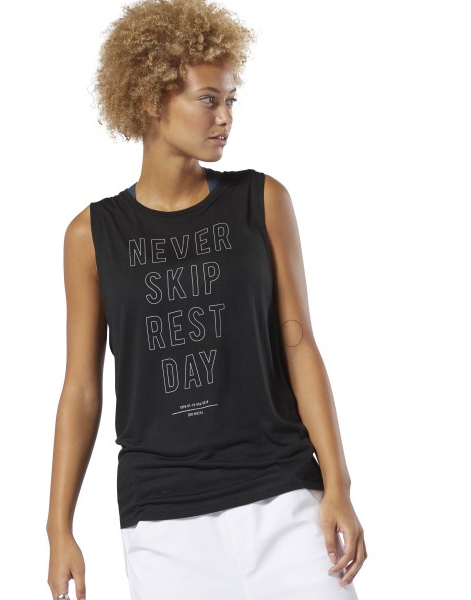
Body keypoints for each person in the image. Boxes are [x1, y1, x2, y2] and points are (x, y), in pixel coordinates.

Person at [45, 0, 367, 598]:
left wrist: (338, 486)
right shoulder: (91, 236)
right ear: (151, 100)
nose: (225, 118)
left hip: (282, 493)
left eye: (230, 100)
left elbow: (299, 345)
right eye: (209, 100)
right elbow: (82, 389)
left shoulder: (262, 201)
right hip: (163, 518)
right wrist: (58, 528)